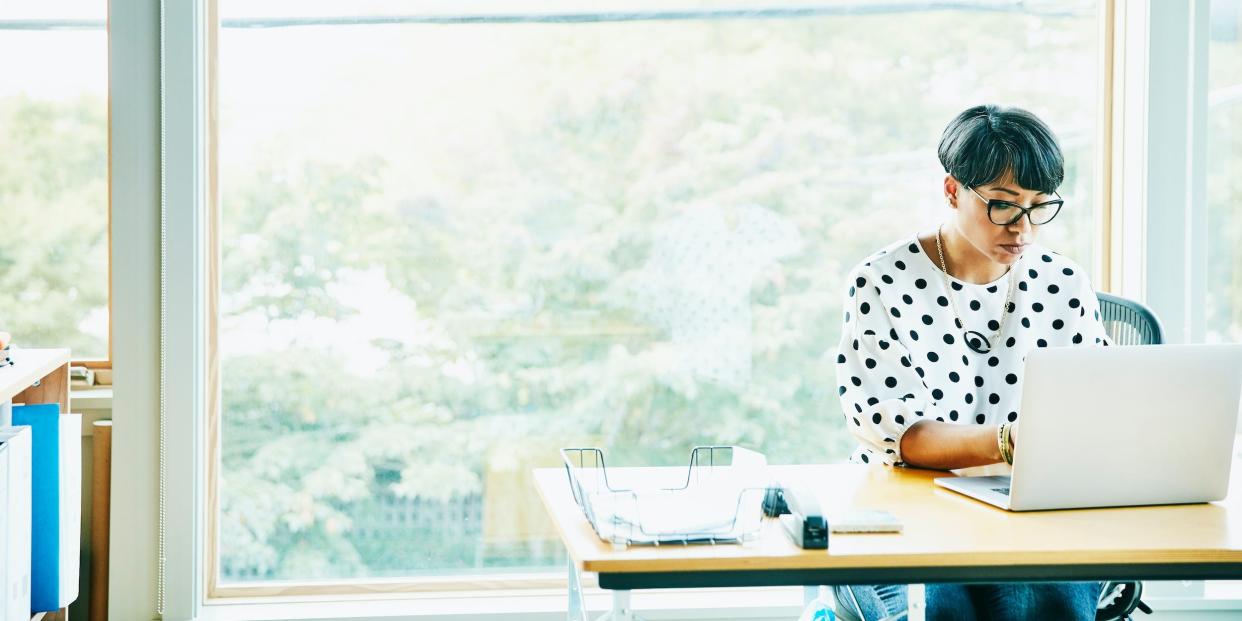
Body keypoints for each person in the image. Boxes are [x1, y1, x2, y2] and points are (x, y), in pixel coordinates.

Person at [833, 104, 1109, 621]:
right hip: (908, 507)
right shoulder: (882, 281)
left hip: (1029, 510)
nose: (1023, 228)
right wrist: (1008, 441)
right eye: (1003, 205)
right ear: (952, 191)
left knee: (1037, 600)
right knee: (945, 608)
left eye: (1039, 206)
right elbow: (899, 431)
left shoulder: (1063, 284)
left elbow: (1097, 403)